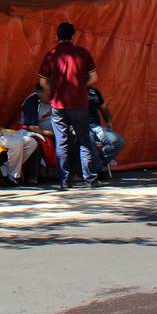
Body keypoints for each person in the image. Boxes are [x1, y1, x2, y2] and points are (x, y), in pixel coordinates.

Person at [39, 22, 98, 189]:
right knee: (84, 141)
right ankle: (90, 179)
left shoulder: (51, 55)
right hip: (79, 103)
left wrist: (53, 91)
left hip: (58, 105)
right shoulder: (83, 53)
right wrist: (80, 85)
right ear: (74, 36)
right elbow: (94, 78)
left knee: (61, 141)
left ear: (57, 37)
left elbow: (42, 82)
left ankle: (64, 181)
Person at [85, 86, 126, 175]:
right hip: (81, 127)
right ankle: (96, 170)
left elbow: (103, 107)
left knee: (117, 141)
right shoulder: (71, 90)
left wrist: (109, 122)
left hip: (96, 126)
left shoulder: (94, 91)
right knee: (89, 141)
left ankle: (98, 165)